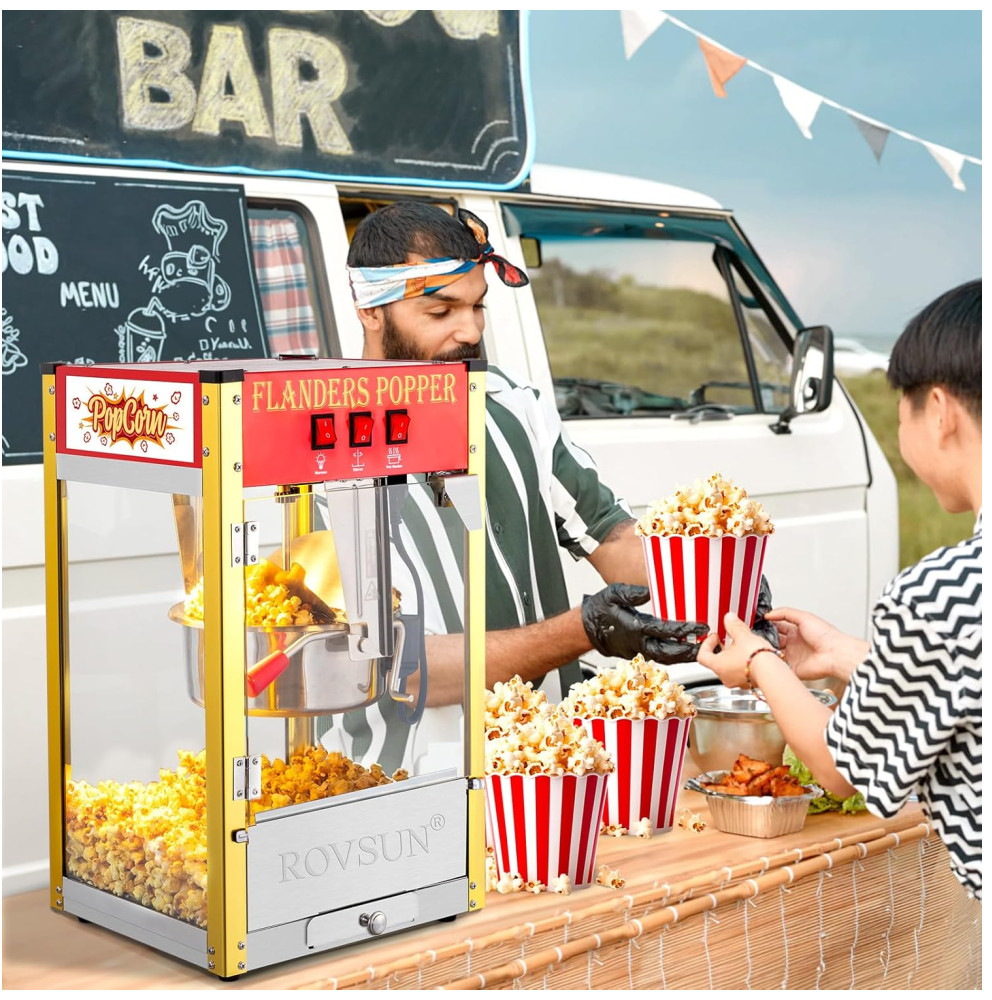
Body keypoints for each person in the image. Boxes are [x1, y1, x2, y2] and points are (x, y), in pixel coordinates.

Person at [317, 201, 773, 771]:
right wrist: (583, 631)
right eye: (440, 311)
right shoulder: (319, 450)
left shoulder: (514, 406)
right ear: (369, 310)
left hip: (546, 778)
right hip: (404, 786)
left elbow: (612, 538)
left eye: (478, 306)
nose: (470, 330)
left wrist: (717, 585)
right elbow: (402, 669)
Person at [698, 279, 981, 901]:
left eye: (902, 408)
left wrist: (760, 662)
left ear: (939, 411)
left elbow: (840, 765)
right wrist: (846, 656)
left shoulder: (944, 591)